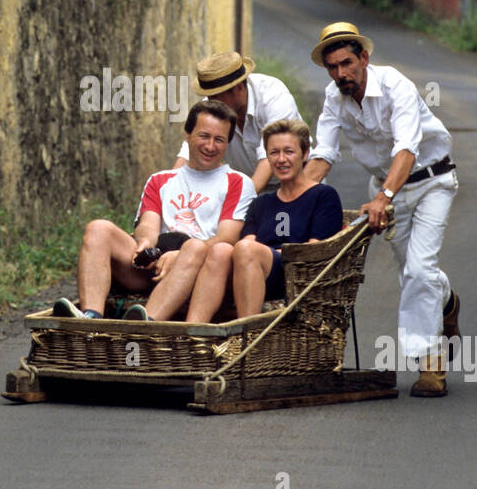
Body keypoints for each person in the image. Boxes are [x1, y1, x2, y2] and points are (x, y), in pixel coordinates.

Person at [301, 21, 461, 397]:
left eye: (347, 63)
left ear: (364, 59)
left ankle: (430, 366)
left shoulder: (395, 85)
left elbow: (406, 149)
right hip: (388, 191)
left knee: (419, 270)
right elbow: (324, 153)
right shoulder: (333, 96)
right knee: (415, 272)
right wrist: (296, 196)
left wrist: (382, 199)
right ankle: (448, 301)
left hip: (431, 182)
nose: (341, 73)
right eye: (333, 67)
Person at [54, 98, 257, 321]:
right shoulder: (160, 180)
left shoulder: (237, 182)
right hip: (155, 264)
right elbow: (148, 226)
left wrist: (179, 256)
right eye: (204, 136)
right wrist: (146, 247)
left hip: (201, 271)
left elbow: (226, 238)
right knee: (98, 228)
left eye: (219, 139)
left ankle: (146, 321)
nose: (210, 146)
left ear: (227, 143)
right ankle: (90, 316)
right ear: (187, 135)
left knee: (195, 248)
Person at [188, 119, 343, 323]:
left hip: (300, 274)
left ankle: (248, 333)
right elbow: (247, 244)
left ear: (305, 154)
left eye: (289, 151)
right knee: (222, 250)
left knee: (246, 249)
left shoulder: (323, 195)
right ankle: (193, 330)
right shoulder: (262, 203)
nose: (281, 159)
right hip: (256, 270)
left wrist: (272, 253)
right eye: (274, 153)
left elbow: (316, 250)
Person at [171, 51, 301, 194]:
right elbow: (188, 153)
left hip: (295, 183)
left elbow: (269, 157)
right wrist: (168, 192)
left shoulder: (274, 96)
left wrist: (238, 203)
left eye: (217, 96)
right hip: (251, 188)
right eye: (209, 97)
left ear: (239, 88)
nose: (212, 103)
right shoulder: (210, 109)